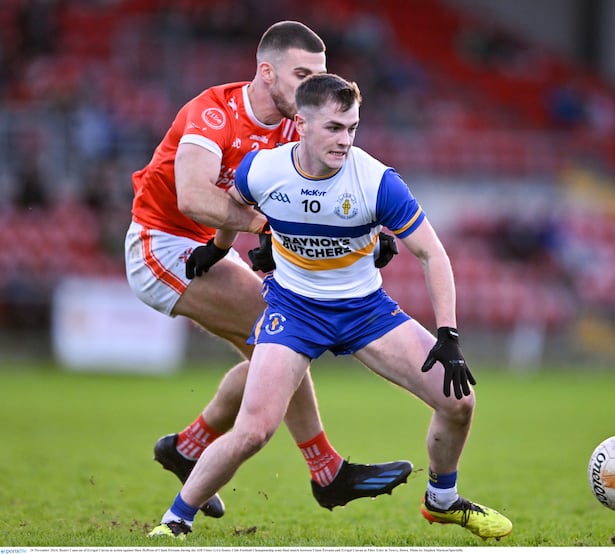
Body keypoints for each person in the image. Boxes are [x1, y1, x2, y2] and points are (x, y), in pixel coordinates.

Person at [148, 73, 512, 540]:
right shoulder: (263, 169)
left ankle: (442, 500)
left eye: (353, 128)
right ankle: (175, 521)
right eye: (334, 128)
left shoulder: (377, 181)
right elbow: (235, 205)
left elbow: (431, 252)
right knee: (255, 430)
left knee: (459, 402)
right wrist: (218, 249)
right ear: (300, 123)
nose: (345, 140)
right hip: (294, 310)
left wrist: (448, 334)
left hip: (365, 311)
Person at [125, 21, 409, 520]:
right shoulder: (213, 112)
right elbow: (193, 197)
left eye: (319, 74)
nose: (312, 87)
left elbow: (337, 194)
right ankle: (325, 470)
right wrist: (267, 225)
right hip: (162, 244)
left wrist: (373, 233)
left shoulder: (300, 123)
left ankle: (189, 448)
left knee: (271, 356)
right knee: (283, 333)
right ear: (266, 73)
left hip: (212, 247)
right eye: (302, 74)